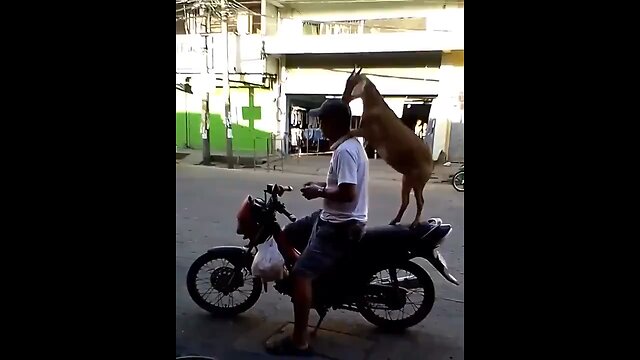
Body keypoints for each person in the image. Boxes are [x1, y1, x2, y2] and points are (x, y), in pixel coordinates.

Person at [265, 99, 369, 356]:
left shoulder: (344, 151)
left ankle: (299, 341)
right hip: (334, 217)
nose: (319, 125)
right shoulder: (352, 145)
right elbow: (342, 184)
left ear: (333, 122)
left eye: (322, 120)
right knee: (293, 231)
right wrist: (320, 185)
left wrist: (319, 190)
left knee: (301, 274)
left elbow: (347, 192)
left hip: (340, 225)